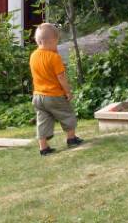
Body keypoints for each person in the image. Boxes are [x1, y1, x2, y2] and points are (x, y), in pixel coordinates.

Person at [29, 23, 83, 156]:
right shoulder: (54, 57)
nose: (57, 45)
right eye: (56, 42)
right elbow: (61, 77)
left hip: (38, 96)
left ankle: (43, 148)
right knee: (67, 114)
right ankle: (71, 139)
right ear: (52, 41)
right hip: (54, 95)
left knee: (42, 120)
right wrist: (68, 92)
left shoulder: (33, 56)